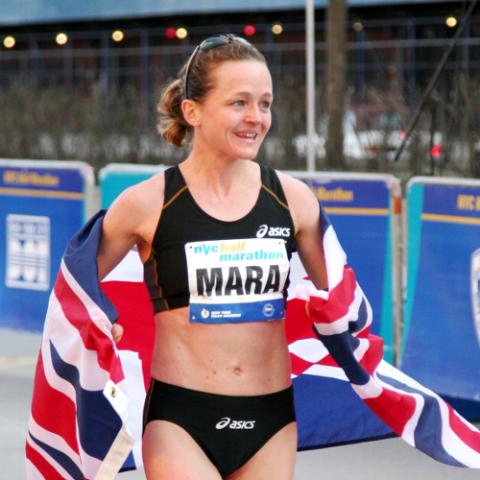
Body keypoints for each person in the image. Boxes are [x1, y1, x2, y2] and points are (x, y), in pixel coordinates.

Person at [97, 34, 328, 480]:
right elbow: (74, 292)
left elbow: (342, 300)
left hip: (271, 420)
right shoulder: (145, 203)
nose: (255, 118)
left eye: (265, 103)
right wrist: (100, 325)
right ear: (193, 111)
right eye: (238, 103)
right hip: (181, 419)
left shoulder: (294, 201)